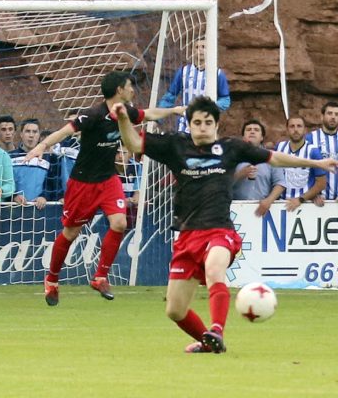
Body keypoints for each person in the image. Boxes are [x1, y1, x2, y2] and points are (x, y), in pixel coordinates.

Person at [114, 96, 336, 353]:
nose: (202, 127)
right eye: (197, 122)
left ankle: (217, 329)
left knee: (214, 270)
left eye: (208, 122)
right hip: (186, 235)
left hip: (220, 230)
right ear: (190, 124)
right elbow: (133, 142)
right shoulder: (175, 145)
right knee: (175, 310)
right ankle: (210, 343)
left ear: (216, 125)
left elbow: (274, 158)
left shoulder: (231, 148)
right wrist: (122, 119)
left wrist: (316, 164)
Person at [25, 70, 185, 305]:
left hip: (108, 178)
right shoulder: (93, 115)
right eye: (130, 86)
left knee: (120, 222)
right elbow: (64, 131)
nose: (132, 90)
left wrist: (173, 110)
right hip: (82, 183)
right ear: (119, 90)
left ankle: (100, 276)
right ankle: (52, 279)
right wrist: (42, 146)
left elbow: (148, 114)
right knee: (71, 233)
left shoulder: (126, 112)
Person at [158, 37, 231, 134]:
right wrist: (158, 118)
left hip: (206, 123)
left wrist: (210, 107)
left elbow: (225, 100)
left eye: (204, 47)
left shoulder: (217, 74)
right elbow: (170, 97)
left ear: (210, 50)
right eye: (197, 47)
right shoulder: (183, 72)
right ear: (193, 51)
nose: (200, 50)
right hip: (185, 123)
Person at [232, 119, 285, 213]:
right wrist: (240, 174)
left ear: (261, 137)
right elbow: (222, 182)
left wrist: (269, 201)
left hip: (263, 209)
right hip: (237, 209)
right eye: (248, 130)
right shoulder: (233, 157)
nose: (252, 131)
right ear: (243, 136)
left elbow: (280, 183)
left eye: (256, 130)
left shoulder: (271, 157)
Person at [275, 115, 327, 210]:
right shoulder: (279, 147)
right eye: (292, 126)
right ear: (287, 130)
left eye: (299, 126)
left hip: (305, 204)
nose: (295, 129)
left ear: (305, 130)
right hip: (281, 203)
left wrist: (300, 199)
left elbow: (321, 183)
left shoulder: (313, 151)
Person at [10, 119, 50, 209]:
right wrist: (14, 196)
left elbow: (52, 184)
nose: (31, 135)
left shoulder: (48, 158)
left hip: (40, 209)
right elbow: (5, 182)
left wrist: (44, 196)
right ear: (21, 134)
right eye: (28, 131)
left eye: (35, 132)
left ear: (39, 135)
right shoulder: (10, 156)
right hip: (15, 208)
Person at [307, 101, 338, 199]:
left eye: (337, 114)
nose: (333, 117)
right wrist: (312, 194)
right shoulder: (310, 139)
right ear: (322, 116)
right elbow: (303, 169)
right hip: (316, 201)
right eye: (329, 113)